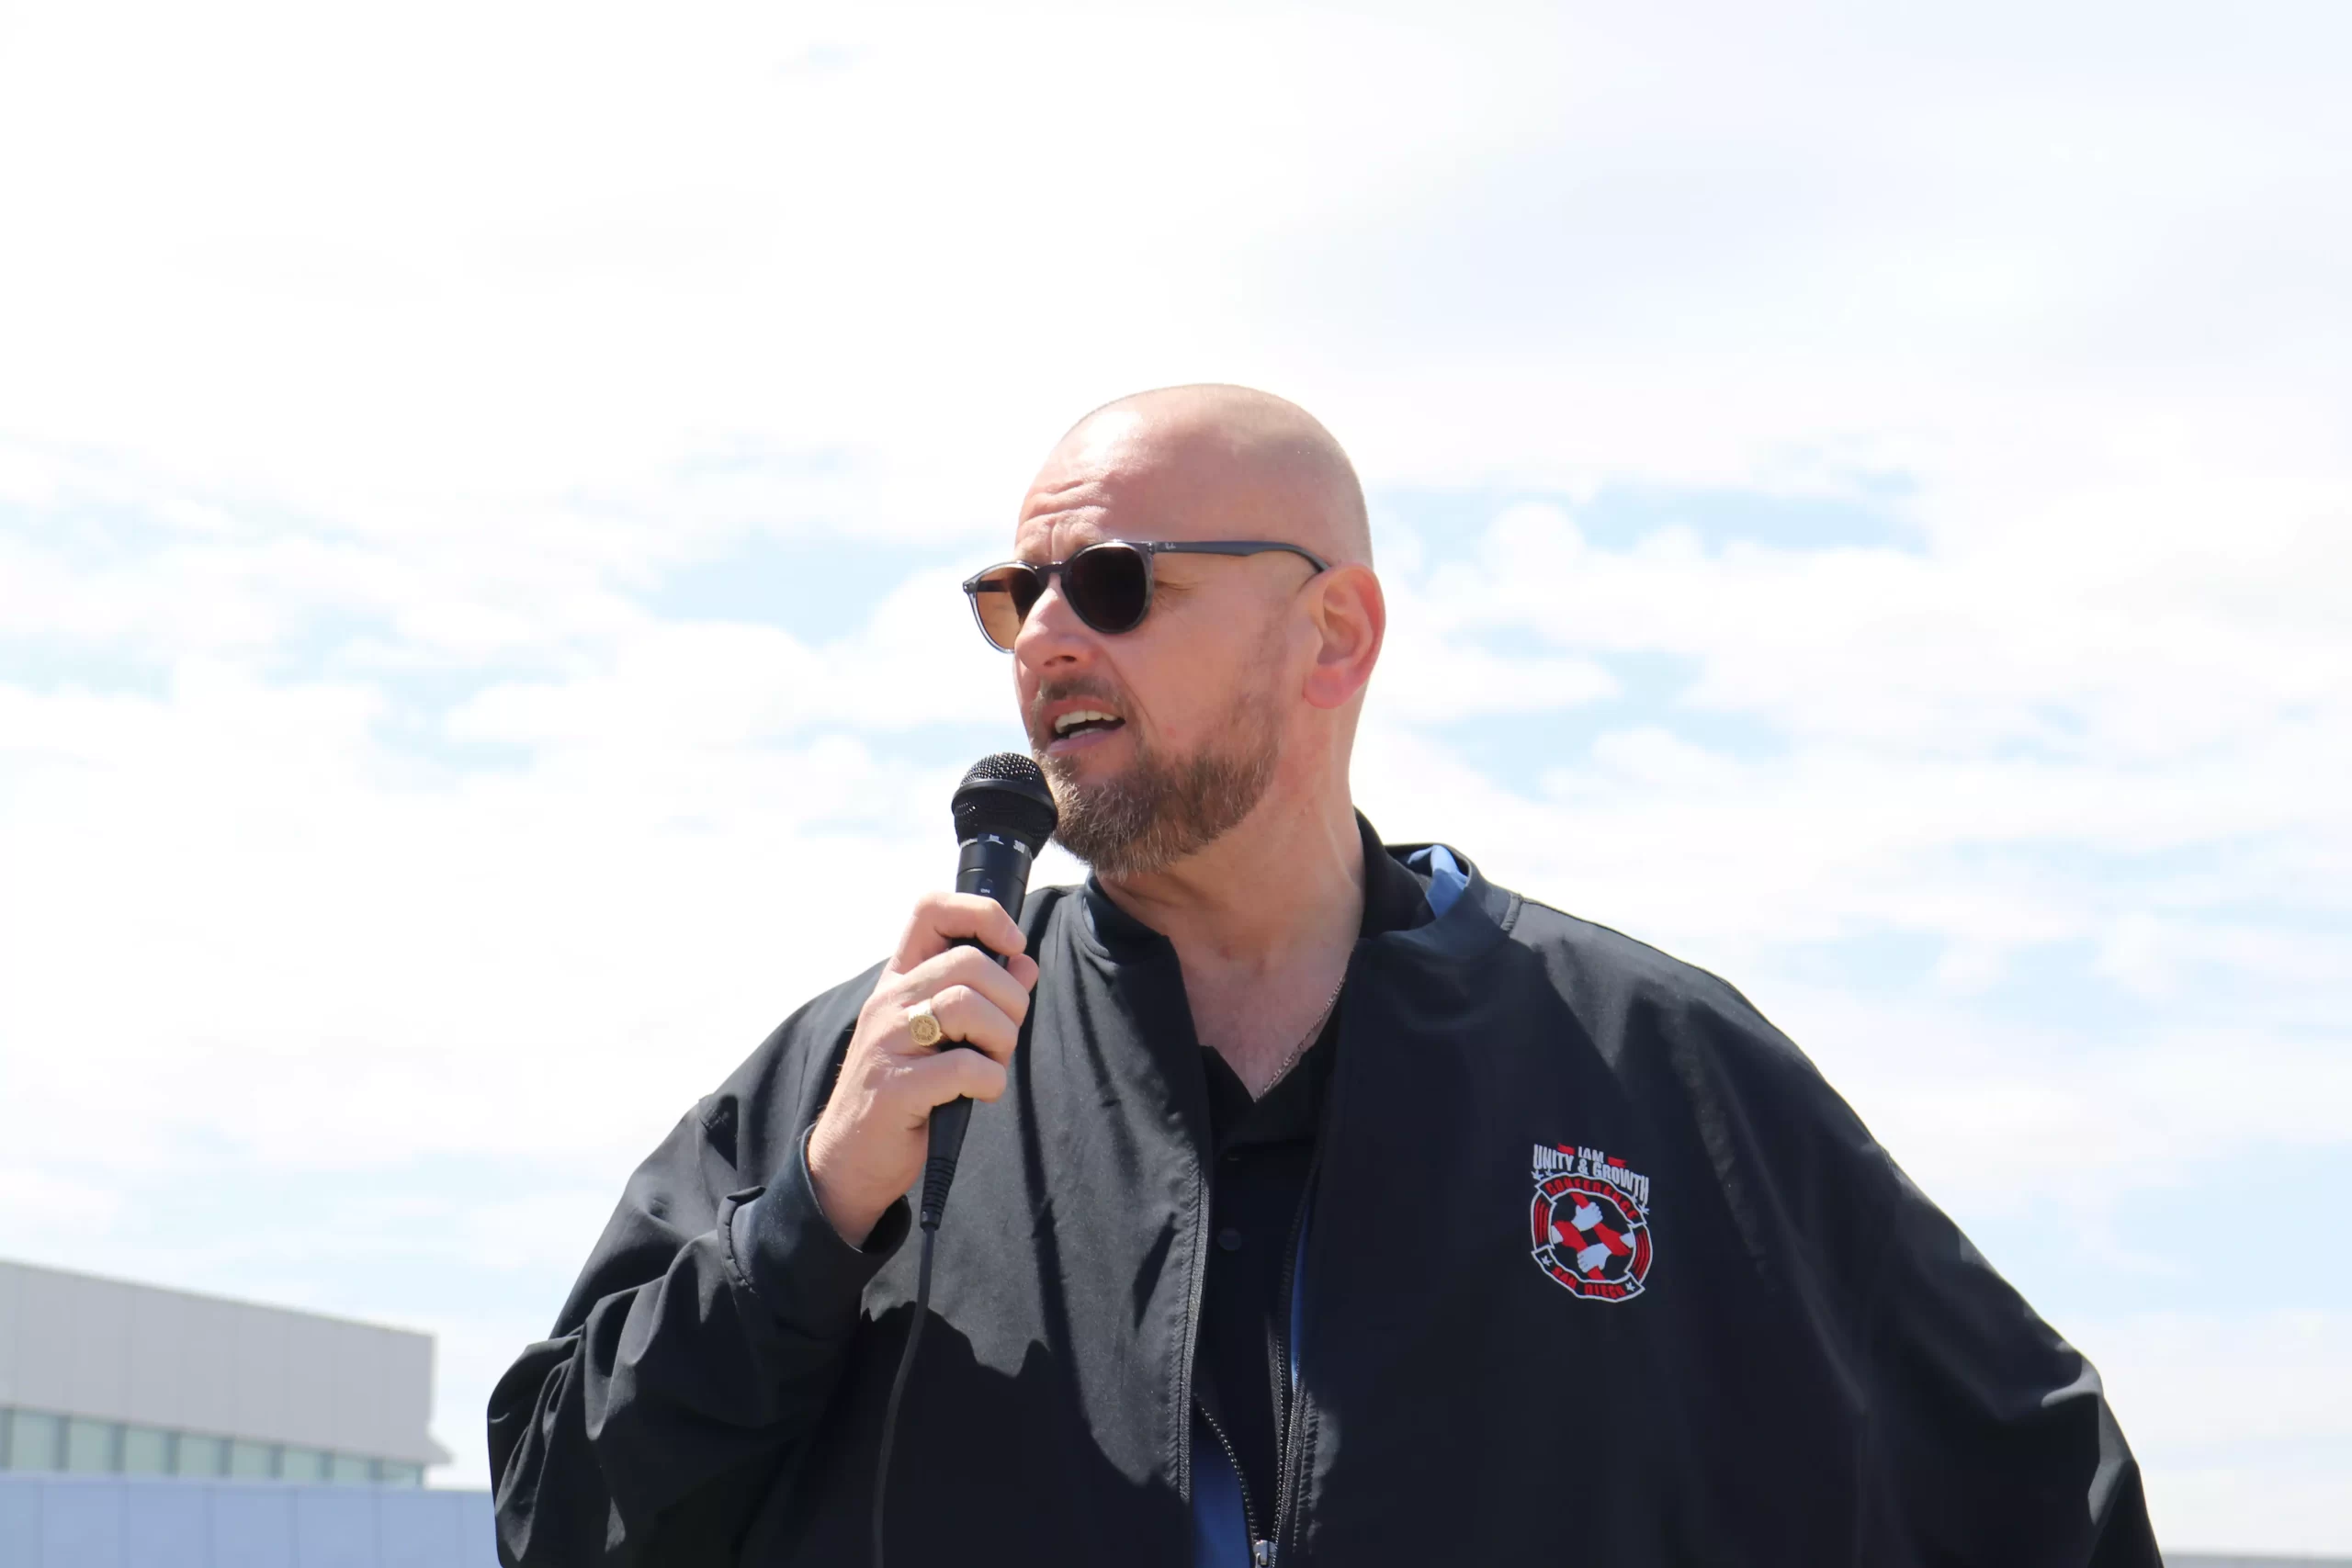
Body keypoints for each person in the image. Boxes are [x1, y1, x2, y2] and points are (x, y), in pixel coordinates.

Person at [487, 386, 2161, 1566]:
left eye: (1116, 583)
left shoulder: (1657, 1074)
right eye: (1015, 597)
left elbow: (2040, 1498)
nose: (1049, 637)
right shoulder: (866, 1082)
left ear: (1334, 635)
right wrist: (807, 1221)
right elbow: (557, 1520)